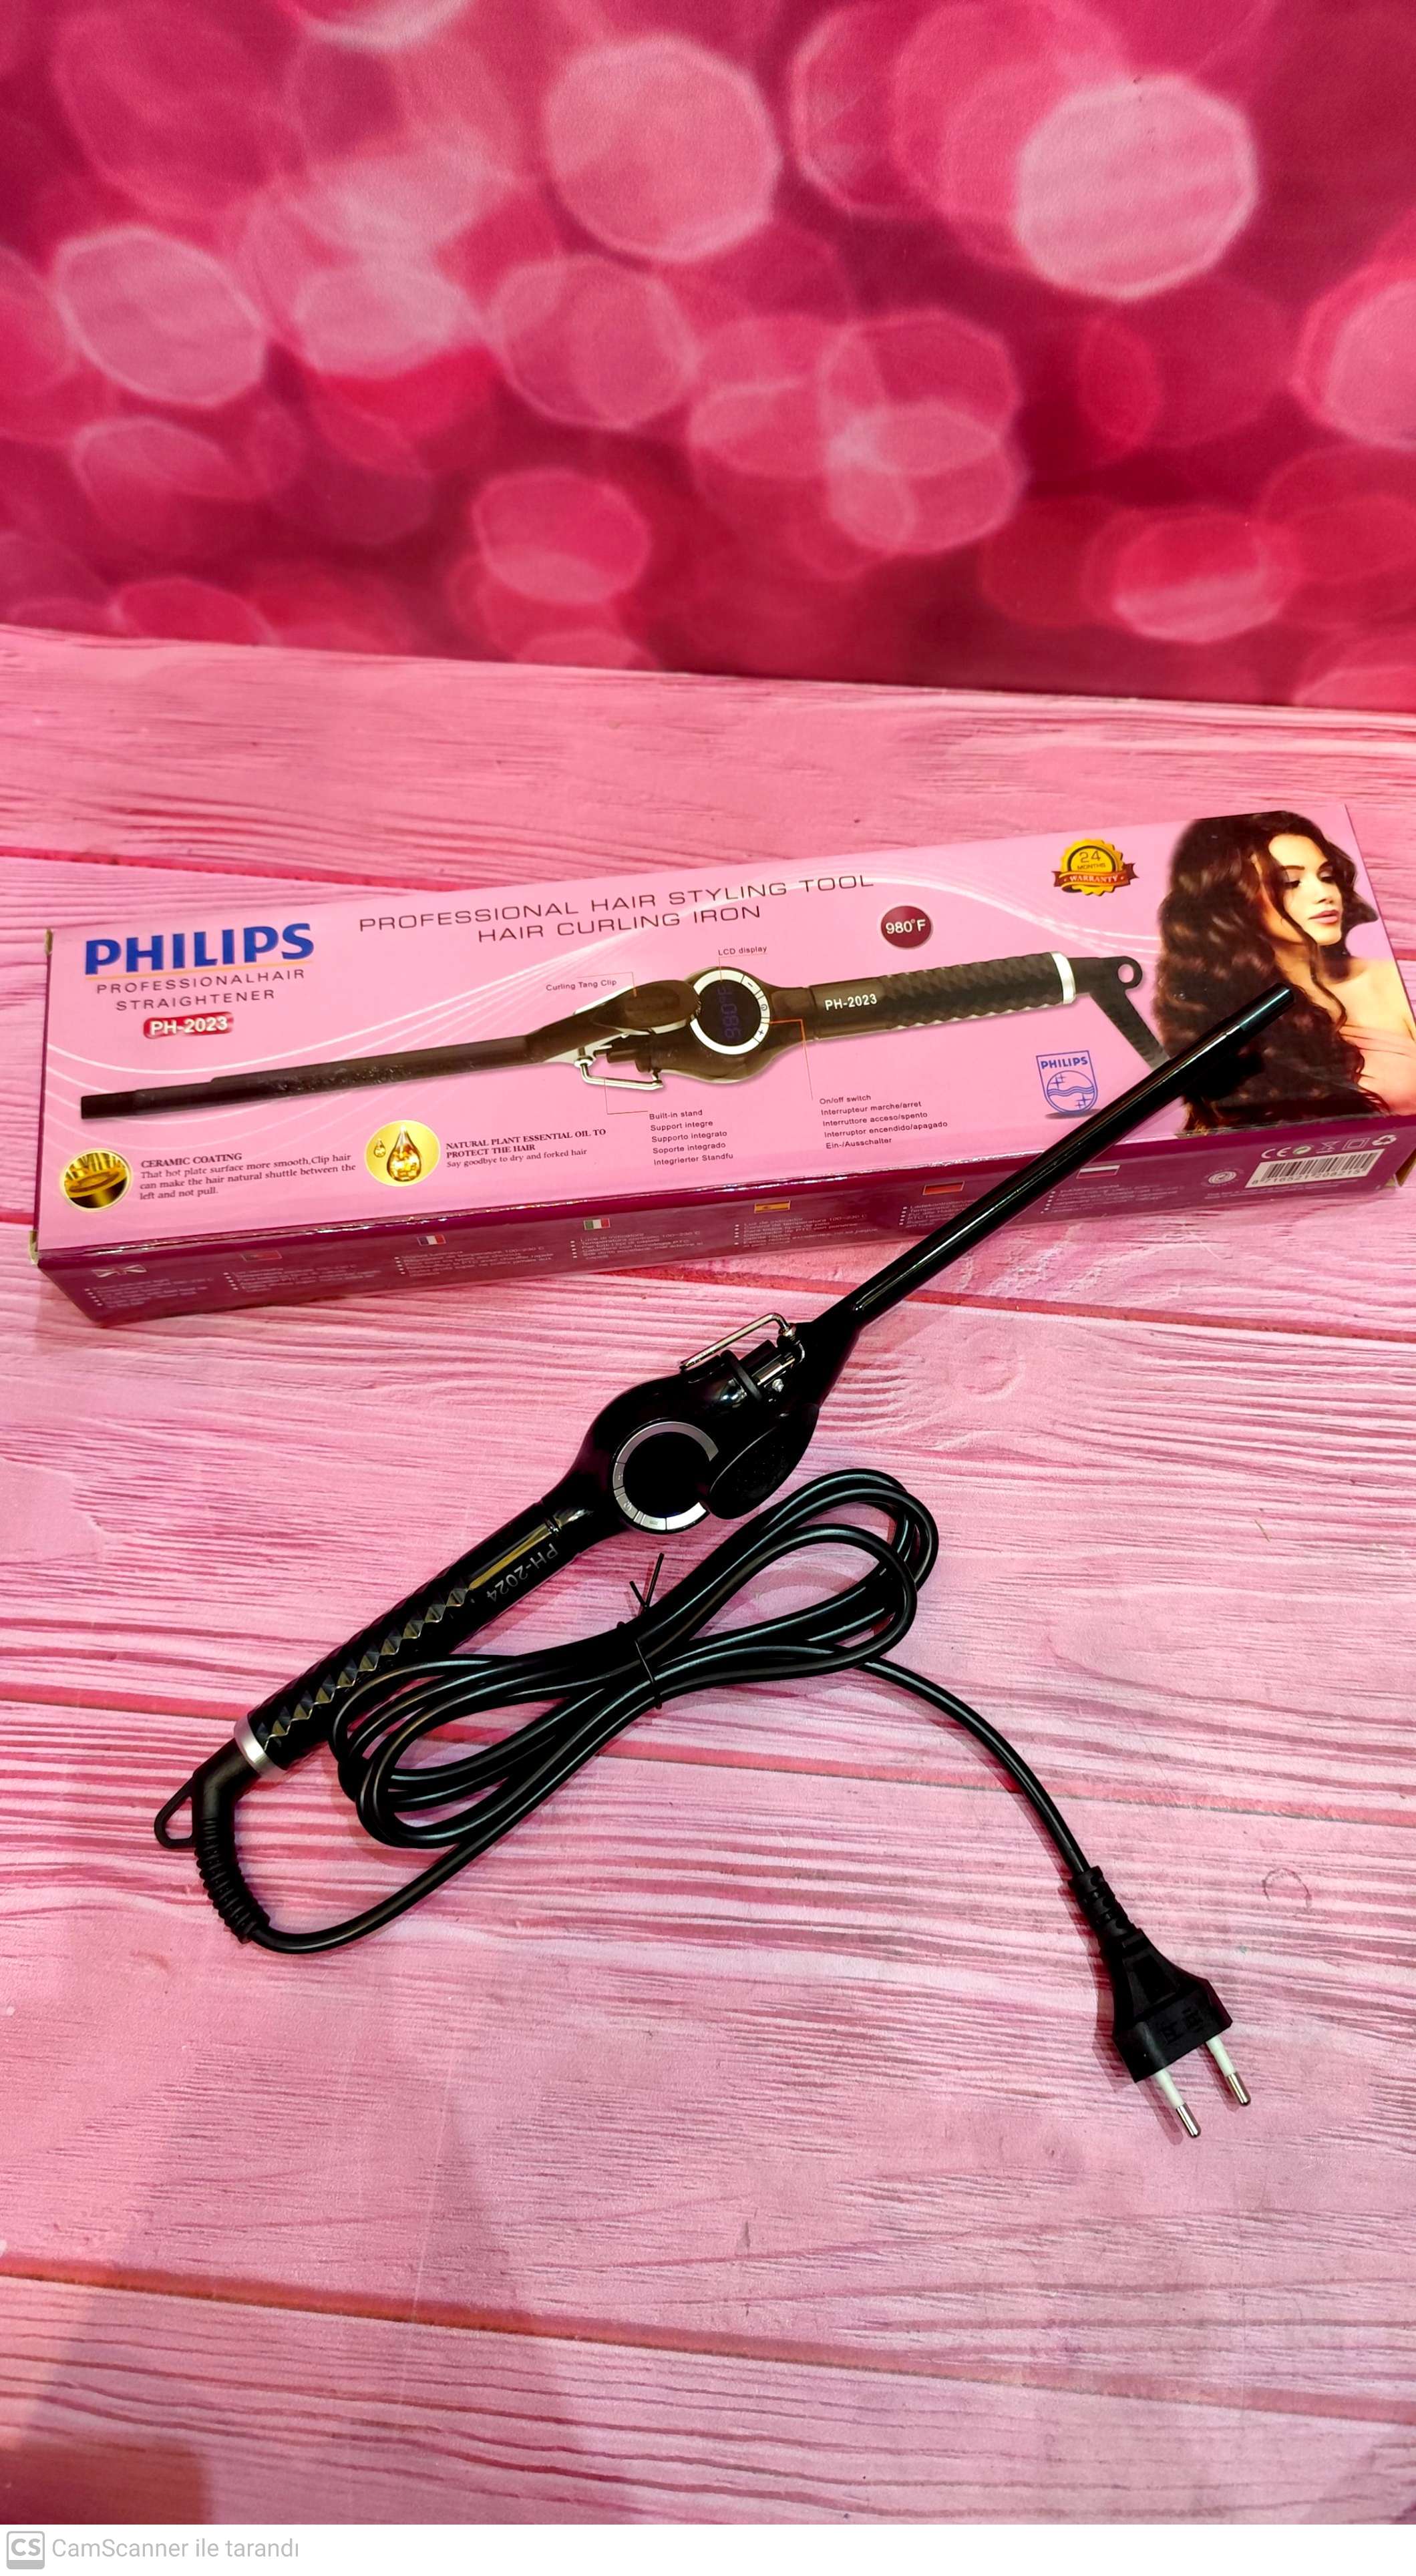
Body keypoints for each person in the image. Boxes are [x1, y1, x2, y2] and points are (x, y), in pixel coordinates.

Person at [1154, 809, 1416, 1127]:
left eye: (1327, 877)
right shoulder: (1223, 1013)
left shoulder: (1388, 981)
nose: (1324, 894)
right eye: (1291, 882)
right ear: (1235, 902)